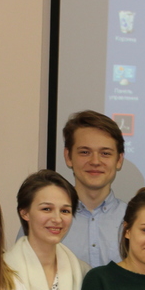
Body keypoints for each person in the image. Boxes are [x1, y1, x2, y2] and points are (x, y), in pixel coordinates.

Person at [59, 110, 127, 268]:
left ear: (119, 160)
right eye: (85, 152)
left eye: (105, 153)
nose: (95, 161)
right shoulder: (43, 220)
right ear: (68, 157)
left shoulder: (135, 221)